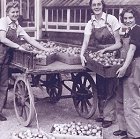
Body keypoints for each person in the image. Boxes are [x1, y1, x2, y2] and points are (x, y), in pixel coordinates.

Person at [0, 1, 50, 121]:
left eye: (17, 12)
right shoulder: (3, 22)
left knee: (3, 85)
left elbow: (29, 39)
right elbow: (2, 38)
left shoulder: (17, 26)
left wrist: (44, 48)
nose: (15, 14)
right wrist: (18, 46)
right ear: (7, 13)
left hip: (5, 58)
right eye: (13, 12)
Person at [80, 0, 122, 128]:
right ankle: (102, 114)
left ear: (103, 5)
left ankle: (109, 116)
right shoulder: (90, 23)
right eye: (94, 5)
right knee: (100, 86)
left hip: (112, 56)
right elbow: (86, 41)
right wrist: (82, 54)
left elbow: (119, 43)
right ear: (91, 7)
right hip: (100, 58)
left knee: (110, 86)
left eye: (99, 4)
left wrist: (106, 50)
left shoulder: (111, 19)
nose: (97, 7)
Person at [114, 8, 140, 139]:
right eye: (125, 18)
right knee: (120, 97)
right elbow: (123, 48)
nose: (128, 20)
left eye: (130, 18)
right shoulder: (127, 31)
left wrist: (124, 67)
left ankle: (134, 134)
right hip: (126, 65)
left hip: (134, 66)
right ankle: (124, 129)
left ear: (135, 17)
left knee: (131, 100)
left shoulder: (137, 30)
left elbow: (132, 50)